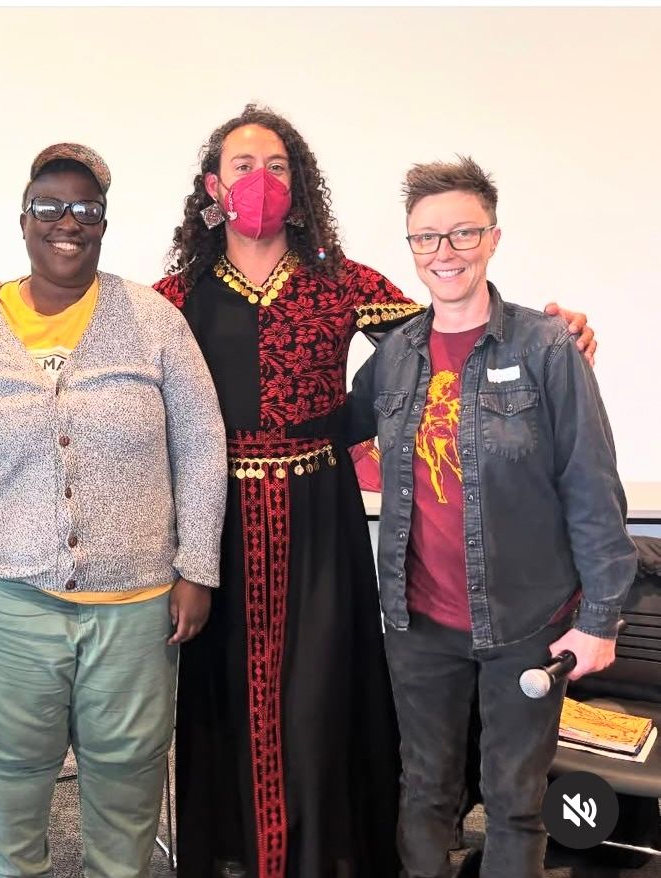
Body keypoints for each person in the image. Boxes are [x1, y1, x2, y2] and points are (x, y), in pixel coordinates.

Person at [150, 105, 597, 878]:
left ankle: (324, 857)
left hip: (320, 518)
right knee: (223, 697)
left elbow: (447, 322)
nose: (261, 181)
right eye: (243, 166)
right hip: (216, 522)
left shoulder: (337, 280)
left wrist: (548, 331)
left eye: (278, 165)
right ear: (212, 186)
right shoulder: (174, 295)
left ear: (301, 182)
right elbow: (92, 333)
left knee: (320, 698)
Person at [0, 143, 228, 878]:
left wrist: (196, 566)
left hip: (136, 599)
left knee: (129, 767)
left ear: (103, 224)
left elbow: (203, 445)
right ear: (23, 220)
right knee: (10, 768)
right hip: (3, 596)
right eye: (49, 206)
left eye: (85, 209)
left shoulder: (152, 320)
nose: (66, 222)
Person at [346, 157, 637, 878]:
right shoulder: (393, 359)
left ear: (493, 238)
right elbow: (320, 430)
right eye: (425, 239)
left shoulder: (545, 348)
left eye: (461, 234)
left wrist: (600, 616)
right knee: (424, 793)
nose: (443, 253)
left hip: (526, 623)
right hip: (417, 626)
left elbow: (590, 485)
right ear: (410, 247)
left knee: (513, 801)